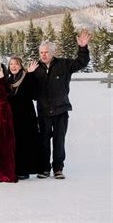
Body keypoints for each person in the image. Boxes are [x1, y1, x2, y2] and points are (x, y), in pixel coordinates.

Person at [31, 30, 91, 179]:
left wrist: (83, 48)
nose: (43, 54)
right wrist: (29, 75)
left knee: (59, 141)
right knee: (44, 142)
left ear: (52, 52)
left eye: (46, 52)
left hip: (60, 110)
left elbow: (81, 62)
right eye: (41, 52)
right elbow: (31, 92)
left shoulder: (64, 64)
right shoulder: (35, 68)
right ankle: (44, 168)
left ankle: (58, 168)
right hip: (43, 112)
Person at [7, 56, 41, 180]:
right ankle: (16, 168)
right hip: (13, 117)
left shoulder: (26, 77)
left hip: (26, 116)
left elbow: (34, 94)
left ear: (21, 66)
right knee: (15, 143)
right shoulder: (9, 80)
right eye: (11, 64)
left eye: (16, 64)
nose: (13, 66)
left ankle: (25, 170)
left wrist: (31, 74)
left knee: (25, 143)